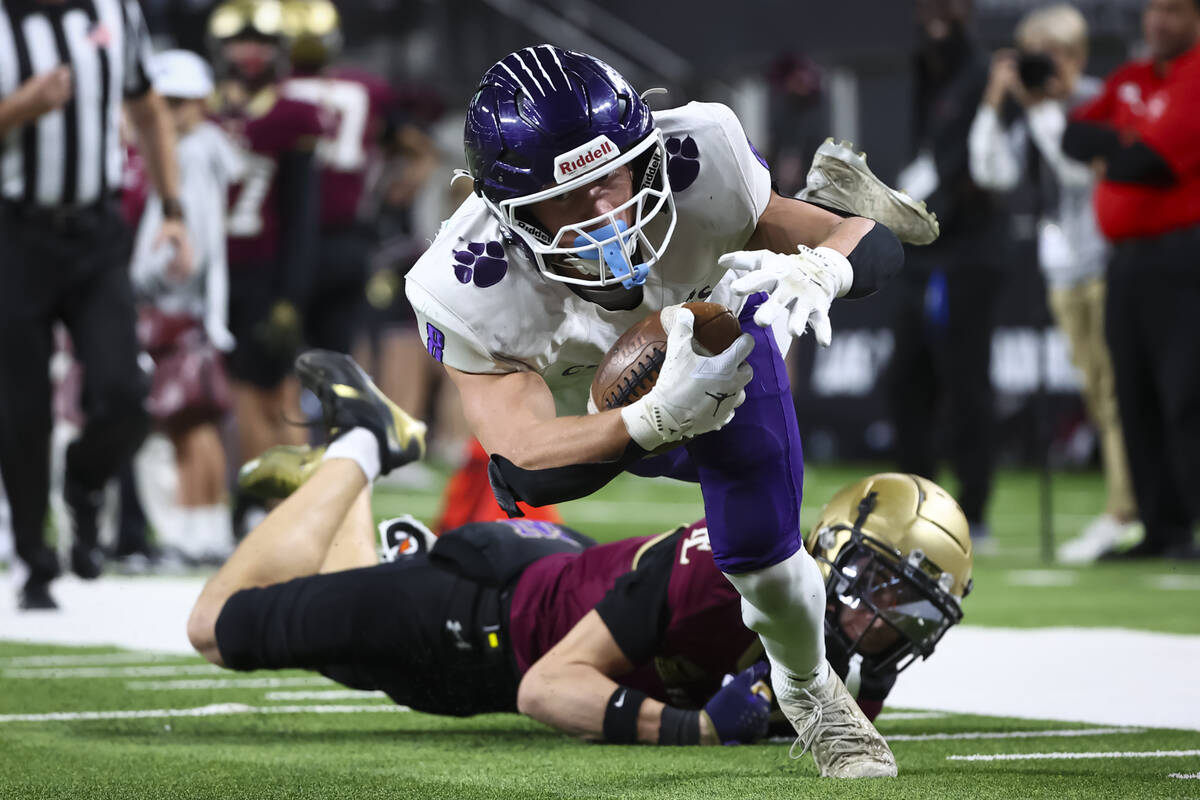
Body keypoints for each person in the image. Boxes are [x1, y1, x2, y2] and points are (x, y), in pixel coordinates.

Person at [402, 45, 934, 778]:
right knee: (536, 482)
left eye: (612, 176)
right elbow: (526, 457)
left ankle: (808, 687)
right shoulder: (462, 284)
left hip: (710, 345)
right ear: (504, 211)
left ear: (643, 152)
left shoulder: (699, 157)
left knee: (767, 568)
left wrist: (825, 264)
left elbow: (879, 254)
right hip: (594, 415)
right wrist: (650, 421)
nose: (606, 212)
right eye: (569, 197)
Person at [188, 353, 974, 745]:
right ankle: (361, 444)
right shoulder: (722, 573)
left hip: (520, 619)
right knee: (217, 629)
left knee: (349, 604)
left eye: (910, 606)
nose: (884, 619)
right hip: (476, 612)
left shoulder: (856, 669)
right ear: (830, 553)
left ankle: (342, 484)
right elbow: (547, 688)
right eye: (878, 583)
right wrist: (694, 730)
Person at [0, 0, 190, 609]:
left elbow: (147, 105)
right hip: (13, 232)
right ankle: (35, 561)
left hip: (96, 232)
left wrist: (172, 209)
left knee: (125, 393)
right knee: (21, 408)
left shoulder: (116, 10)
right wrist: (21, 108)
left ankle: (84, 483)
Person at [966, 5, 1138, 563]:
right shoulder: (1030, 110)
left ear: (1078, 56)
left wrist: (1042, 108)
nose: (1047, 67)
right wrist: (995, 102)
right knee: (1097, 392)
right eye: (1036, 55)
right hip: (1065, 265)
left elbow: (1075, 167)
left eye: (1057, 55)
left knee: (1118, 392)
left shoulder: (1094, 100)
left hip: (1108, 257)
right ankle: (1124, 505)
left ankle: (1125, 508)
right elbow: (992, 171)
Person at [1062, 0, 1200, 560]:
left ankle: (1187, 520)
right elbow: (1075, 136)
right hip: (1125, 259)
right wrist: (1122, 146)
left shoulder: (1193, 76)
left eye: (1173, 11)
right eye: (1153, 11)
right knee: (1135, 395)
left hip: (1183, 254)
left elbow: (1151, 162)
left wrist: (1117, 149)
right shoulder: (1132, 78)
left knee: (1184, 392)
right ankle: (1162, 529)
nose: (1158, 23)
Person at [889, 0, 1006, 550]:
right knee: (906, 382)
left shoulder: (984, 74)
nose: (936, 11)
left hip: (966, 254)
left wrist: (926, 206)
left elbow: (982, 171)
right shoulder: (924, 69)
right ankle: (920, 502)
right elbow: (924, 155)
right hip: (923, 250)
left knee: (965, 384)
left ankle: (974, 509)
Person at [207, 0, 322, 529]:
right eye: (240, 42)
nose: (249, 54)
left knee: (267, 390)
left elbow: (301, 213)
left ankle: (280, 503)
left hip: (262, 271)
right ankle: (251, 499)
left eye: (260, 43)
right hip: (207, 274)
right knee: (223, 395)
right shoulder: (202, 110)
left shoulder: (291, 115)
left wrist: (290, 294)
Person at [129, 49, 243, 564]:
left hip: (180, 305)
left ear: (200, 102)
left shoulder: (192, 153)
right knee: (194, 423)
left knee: (187, 423)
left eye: (178, 102)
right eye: (162, 102)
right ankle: (206, 528)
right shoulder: (205, 147)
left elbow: (189, 250)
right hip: (196, 308)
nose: (168, 113)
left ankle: (193, 533)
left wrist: (143, 277)